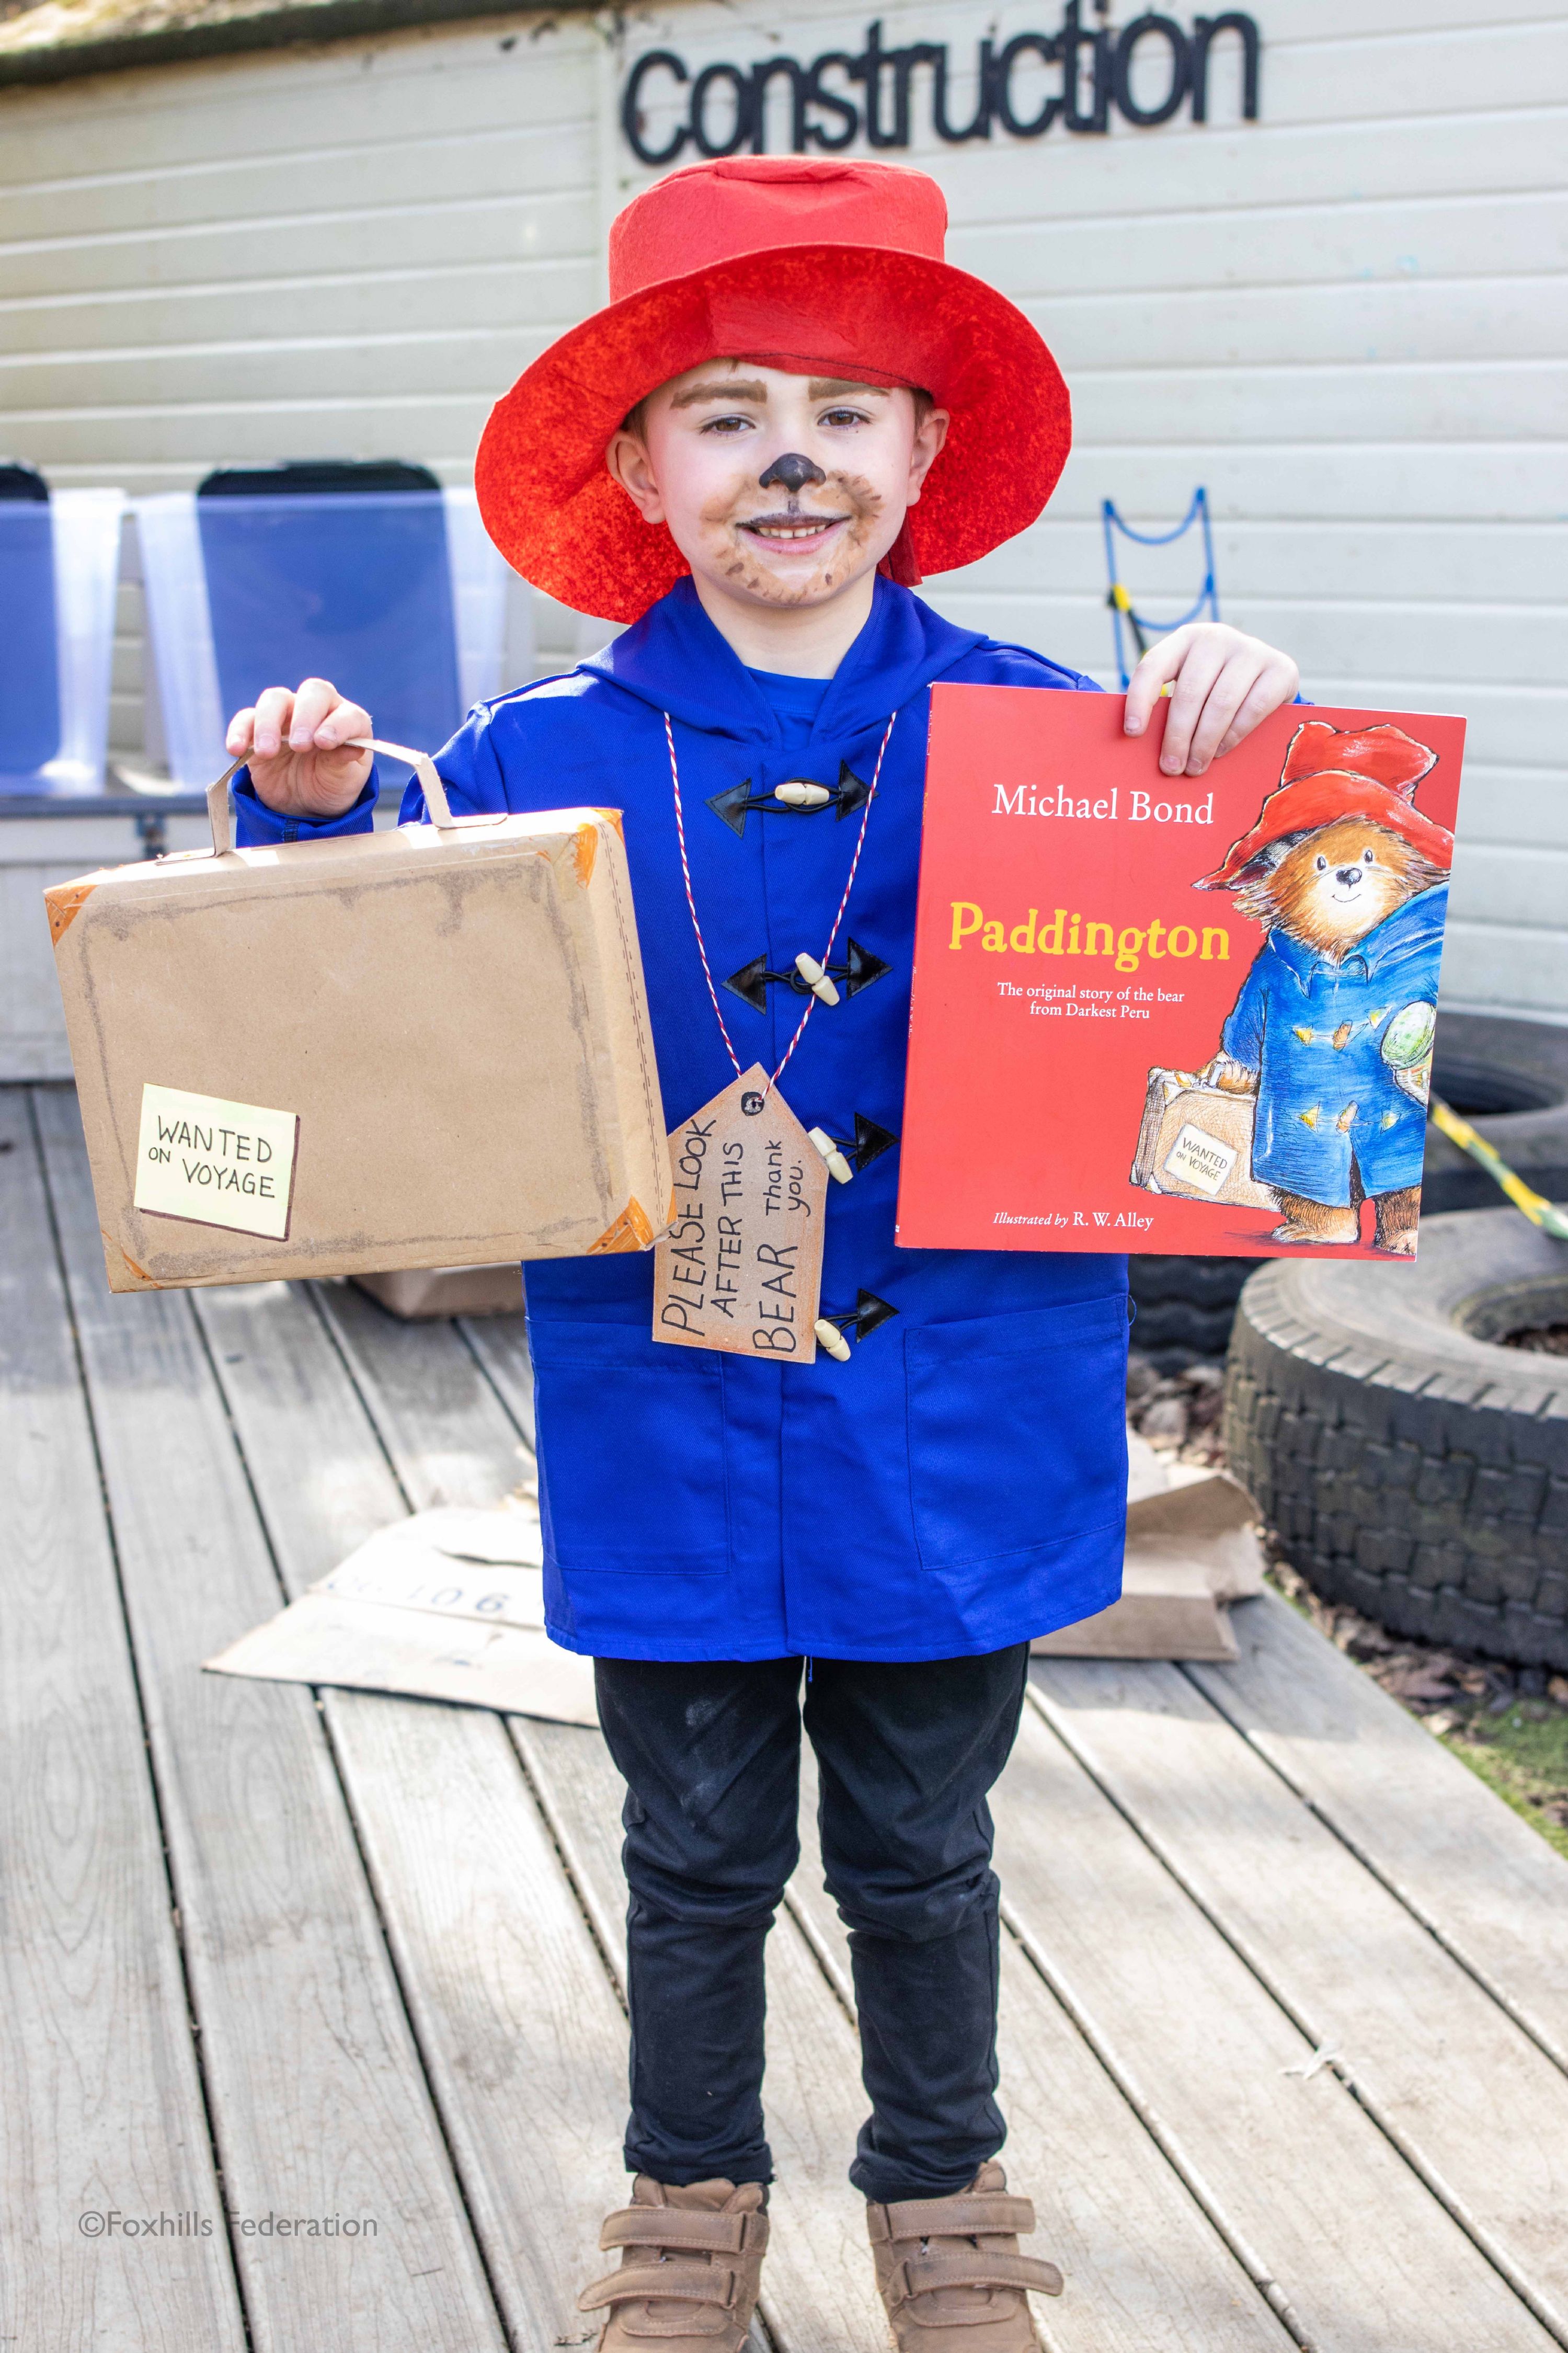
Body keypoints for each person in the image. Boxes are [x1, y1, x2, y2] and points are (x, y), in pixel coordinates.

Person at [227, 156, 1300, 2353]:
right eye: (725, 410)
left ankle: (942, 2205)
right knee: (696, 1849)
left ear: (925, 454)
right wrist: (314, 809)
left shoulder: (1072, 746)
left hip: (960, 1401)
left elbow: (1269, 930)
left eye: (845, 403)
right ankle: (688, 2207)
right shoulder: (529, 759)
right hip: (675, 1408)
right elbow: (363, 972)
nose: (790, 452)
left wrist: (1238, 725)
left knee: (925, 1847)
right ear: (639, 468)